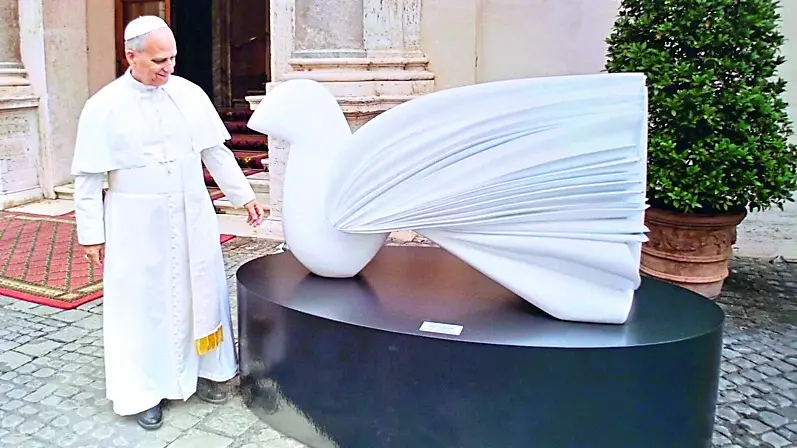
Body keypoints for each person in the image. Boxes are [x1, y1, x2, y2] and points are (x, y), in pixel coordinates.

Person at [71, 15, 266, 430]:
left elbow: (215, 152)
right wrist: (91, 234)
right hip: (135, 224)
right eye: (159, 60)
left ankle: (208, 371)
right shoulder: (103, 106)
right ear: (131, 56)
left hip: (191, 213)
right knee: (145, 305)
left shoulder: (189, 94)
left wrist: (244, 197)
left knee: (201, 292)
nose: (169, 67)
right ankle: (145, 391)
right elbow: (87, 178)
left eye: (173, 58)